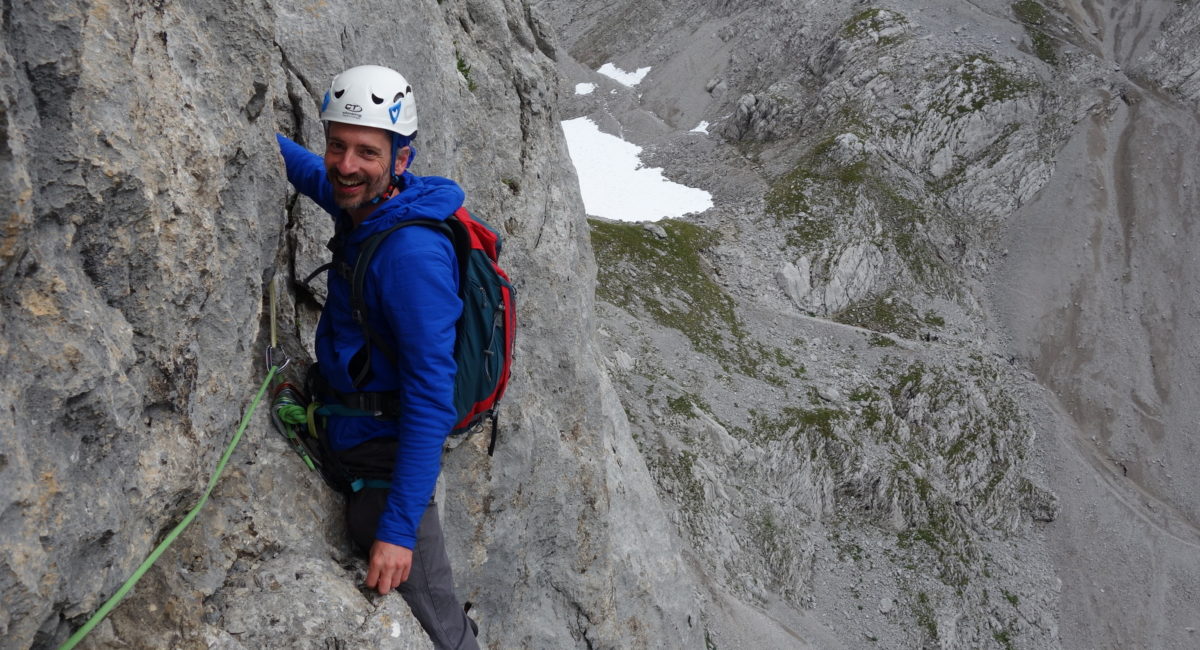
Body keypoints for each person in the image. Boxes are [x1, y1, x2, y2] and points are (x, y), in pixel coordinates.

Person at [276, 64, 479, 649]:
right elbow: (313, 173)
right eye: (337, 144)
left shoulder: (411, 254)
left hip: (384, 459)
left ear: (401, 160)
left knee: (436, 618)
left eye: (366, 151)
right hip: (350, 429)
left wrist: (397, 532)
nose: (345, 165)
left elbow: (430, 398)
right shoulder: (363, 203)